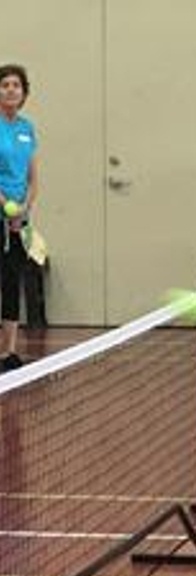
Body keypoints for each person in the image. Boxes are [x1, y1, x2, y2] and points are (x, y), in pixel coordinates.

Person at [0, 63, 37, 372]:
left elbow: (34, 177)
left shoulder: (27, 129)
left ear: (24, 93)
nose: (11, 89)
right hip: (0, 213)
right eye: (5, 85)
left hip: (18, 221)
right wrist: (4, 205)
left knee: (12, 282)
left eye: (16, 85)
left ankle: (8, 352)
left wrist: (23, 207)